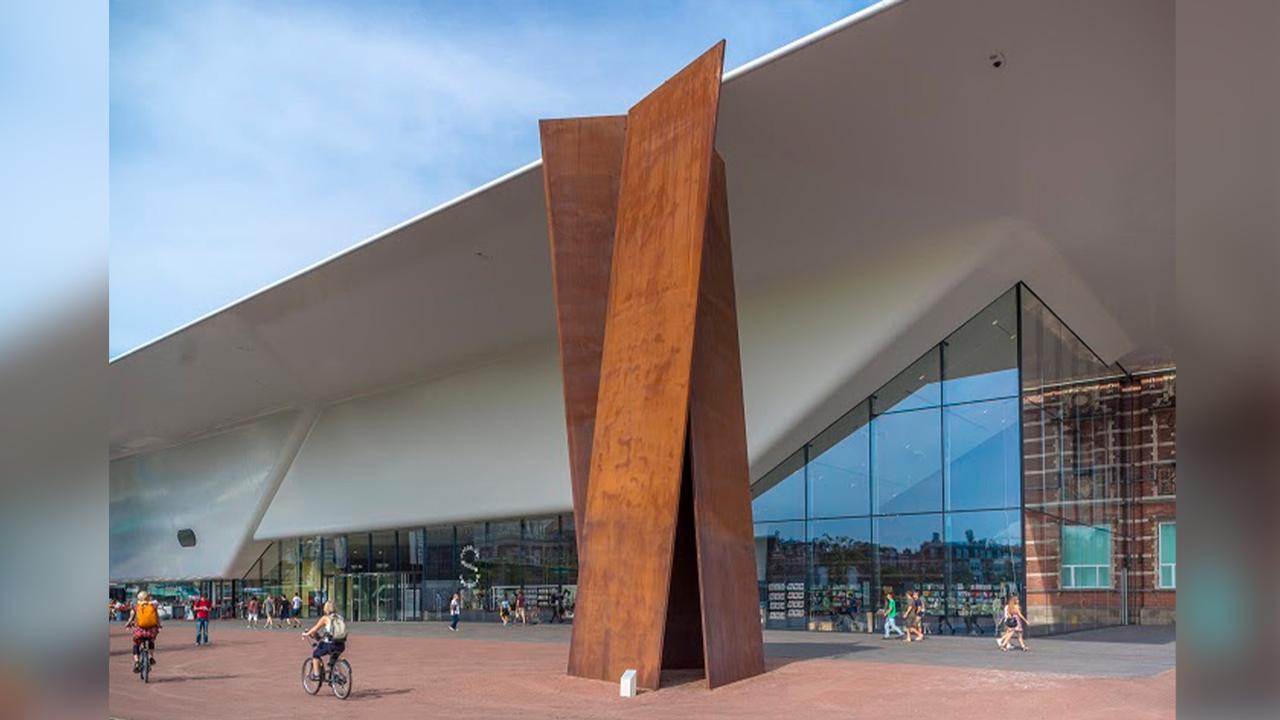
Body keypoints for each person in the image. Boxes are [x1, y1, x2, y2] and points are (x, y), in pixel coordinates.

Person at [303, 601, 347, 682]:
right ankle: (338, 674)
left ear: (325, 609)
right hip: (341, 644)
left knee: (315, 654)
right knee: (335, 657)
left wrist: (306, 634)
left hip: (331, 644)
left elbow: (315, 629)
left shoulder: (325, 618)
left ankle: (316, 675)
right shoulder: (340, 617)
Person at [126, 590, 162, 673]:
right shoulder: (153, 606)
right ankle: (150, 657)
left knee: (136, 644)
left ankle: (137, 662)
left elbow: (131, 617)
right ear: (147, 597)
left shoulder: (136, 606)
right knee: (151, 641)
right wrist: (159, 625)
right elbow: (157, 617)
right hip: (151, 631)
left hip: (140, 631)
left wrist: (128, 624)